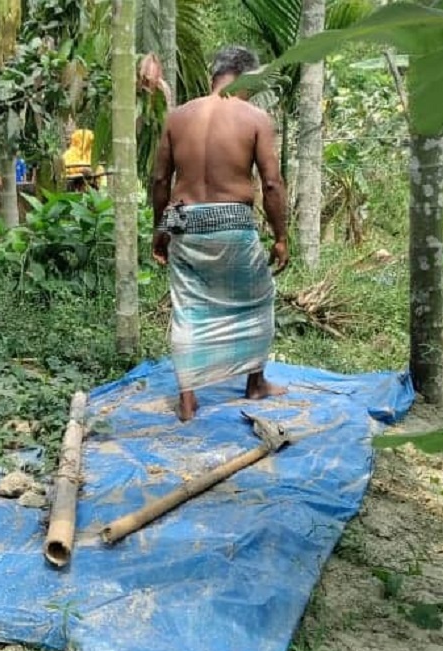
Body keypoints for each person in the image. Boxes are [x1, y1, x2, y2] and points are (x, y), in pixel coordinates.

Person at [150, 45, 290, 422]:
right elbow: (272, 184)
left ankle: (188, 398)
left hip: (182, 216)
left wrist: (159, 230)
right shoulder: (255, 117)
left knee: (189, 305)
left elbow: (161, 179)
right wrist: (280, 236)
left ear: (215, 76)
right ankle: (255, 382)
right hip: (231, 217)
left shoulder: (178, 117)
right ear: (248, 78)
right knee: (257, 299)